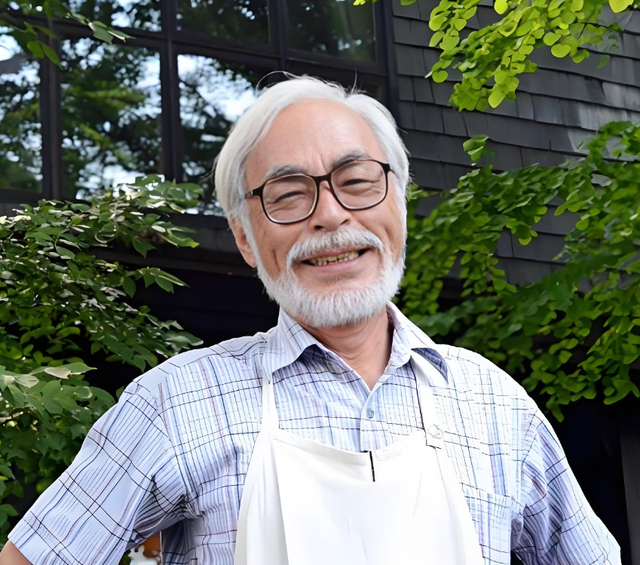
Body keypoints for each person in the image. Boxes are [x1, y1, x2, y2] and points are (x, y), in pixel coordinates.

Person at [0, 76, 621, 565]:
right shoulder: (176, 403)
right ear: (245, 237)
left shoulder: (495, 406)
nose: (330, 215)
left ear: (399, 203)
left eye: (357, 180)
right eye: (289, 194)